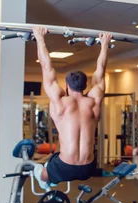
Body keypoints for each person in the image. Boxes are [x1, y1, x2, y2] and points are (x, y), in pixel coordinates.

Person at [30, 26, 111, 189]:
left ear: (66, 85)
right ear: (86, 85)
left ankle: (44, 178)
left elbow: (46, 68)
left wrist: (39, 38)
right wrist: (104, 45)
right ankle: (49, 175)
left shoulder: (60, 101)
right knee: (54, 158)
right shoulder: (93, 102)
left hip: (64, 166)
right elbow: (100, 72)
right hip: (88, 167)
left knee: (40, 171)